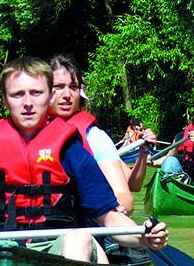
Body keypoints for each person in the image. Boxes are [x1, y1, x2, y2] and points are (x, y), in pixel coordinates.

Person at [0, 57, 168, 262]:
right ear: (4, 100)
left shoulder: (72, 153)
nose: (28, 103)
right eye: (18, 94)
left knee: (79, 238)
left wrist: (143, 237)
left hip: (59, 248)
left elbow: (110, 218)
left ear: (48, 96)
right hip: (1, 248)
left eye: (36, 93)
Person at [47, 55, 149, 216]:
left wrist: (113, 210)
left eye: (73, 87)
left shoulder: (95, 137)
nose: (67, 95)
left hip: (86, 224)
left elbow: (125, 196)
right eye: (58, 87)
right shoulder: (28, 131)